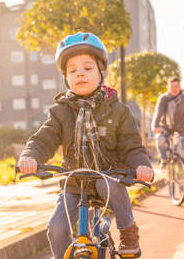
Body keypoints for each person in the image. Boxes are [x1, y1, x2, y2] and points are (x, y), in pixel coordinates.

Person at [18, 32, 154, 258]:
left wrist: (141, 165)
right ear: (66, 78)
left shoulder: (118, 111)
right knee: (57, 229)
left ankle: (128, 232)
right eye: (72, 70)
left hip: (109, 176)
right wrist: (30, 157)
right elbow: (43, 138)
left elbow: (132, 146)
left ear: (101, 72)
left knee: (106, 183)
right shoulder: (60, 112)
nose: (79, 73)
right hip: (74, 182)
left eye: (87, 68)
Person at [152, 76, 184, 166]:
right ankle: (164, 160)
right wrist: (155, 126)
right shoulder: (163, 99)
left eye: (176, 86)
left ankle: (180, 168)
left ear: (180, 87)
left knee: (180, 146)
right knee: (160, 139)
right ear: (168, 88)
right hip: (165, 128)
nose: (174, 89)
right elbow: (158, 114)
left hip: (180, 129)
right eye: (171, 87)